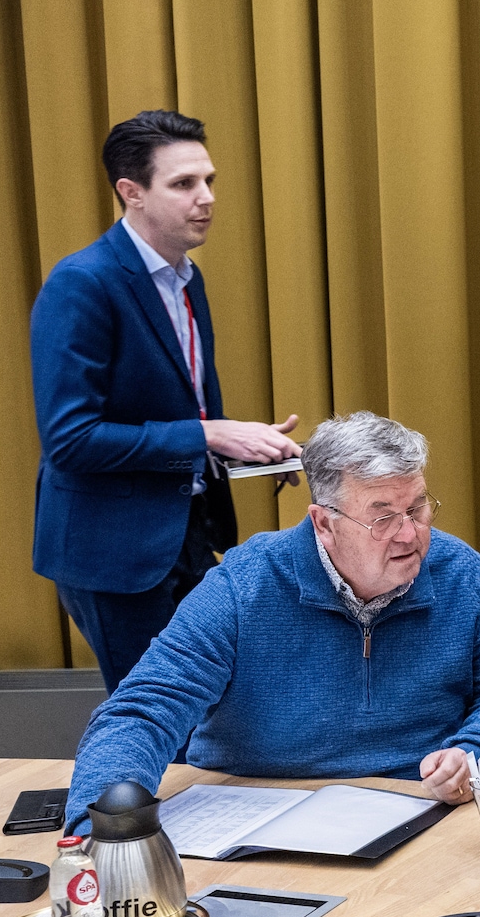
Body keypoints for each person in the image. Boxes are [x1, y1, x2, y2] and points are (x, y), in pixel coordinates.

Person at [62, 412, 480, 829]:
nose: (409, 533)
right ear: (324, 523)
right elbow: (141, 713)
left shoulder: (463, 573)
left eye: (417, 508)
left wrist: (473, 752)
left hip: (414, 806)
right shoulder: (243, 585)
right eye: (383, 518)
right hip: (254, 808)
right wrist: (99, 830)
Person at [31, 109, 302, 691]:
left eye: (208, 181)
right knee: (157, 721)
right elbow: (70, 441)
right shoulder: (83, 283)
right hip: (115, 553)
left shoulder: (187, 278)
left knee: (210, 712)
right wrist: (210, 434)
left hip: (188, 533)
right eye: (183, 184)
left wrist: (248, 450)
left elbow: (183, 411)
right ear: (132, 193)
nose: (205, 198)